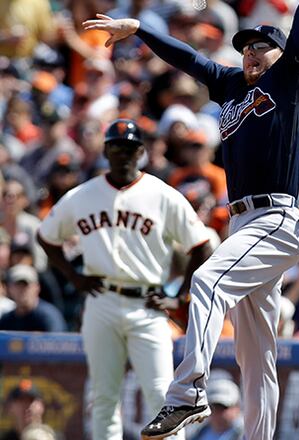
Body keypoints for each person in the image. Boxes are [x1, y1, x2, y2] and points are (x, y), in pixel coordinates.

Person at [81, 1, 299, 438]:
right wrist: (139, 29)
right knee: (257, 356)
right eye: (246, 47)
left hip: (275, 219)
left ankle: (188, 392)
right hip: (242, 223)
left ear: (281, 54)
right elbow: (190, 60)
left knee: (208, 281)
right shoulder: (232, 85)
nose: (251, 53)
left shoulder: (291, 80)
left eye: (262, 46)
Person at [37, 119, 213, 440]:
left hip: (148, 304)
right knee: (103, 397)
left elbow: (202, 245)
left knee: (163, 396)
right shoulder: (82, 195)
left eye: (129, 147)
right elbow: (46, 236)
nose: (123, 154)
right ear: (106, 151)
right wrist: (74, 277)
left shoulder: (162, 195)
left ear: (142, 151)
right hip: (101, 299)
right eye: (116, 147)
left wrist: (181, 296)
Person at [0, 264, 65, 332]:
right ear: (9, 288)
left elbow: (56, 340)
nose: (22, 290)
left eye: (26, 285)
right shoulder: (6, 319)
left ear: (37, 288)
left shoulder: (48, 316)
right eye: (18, 285)